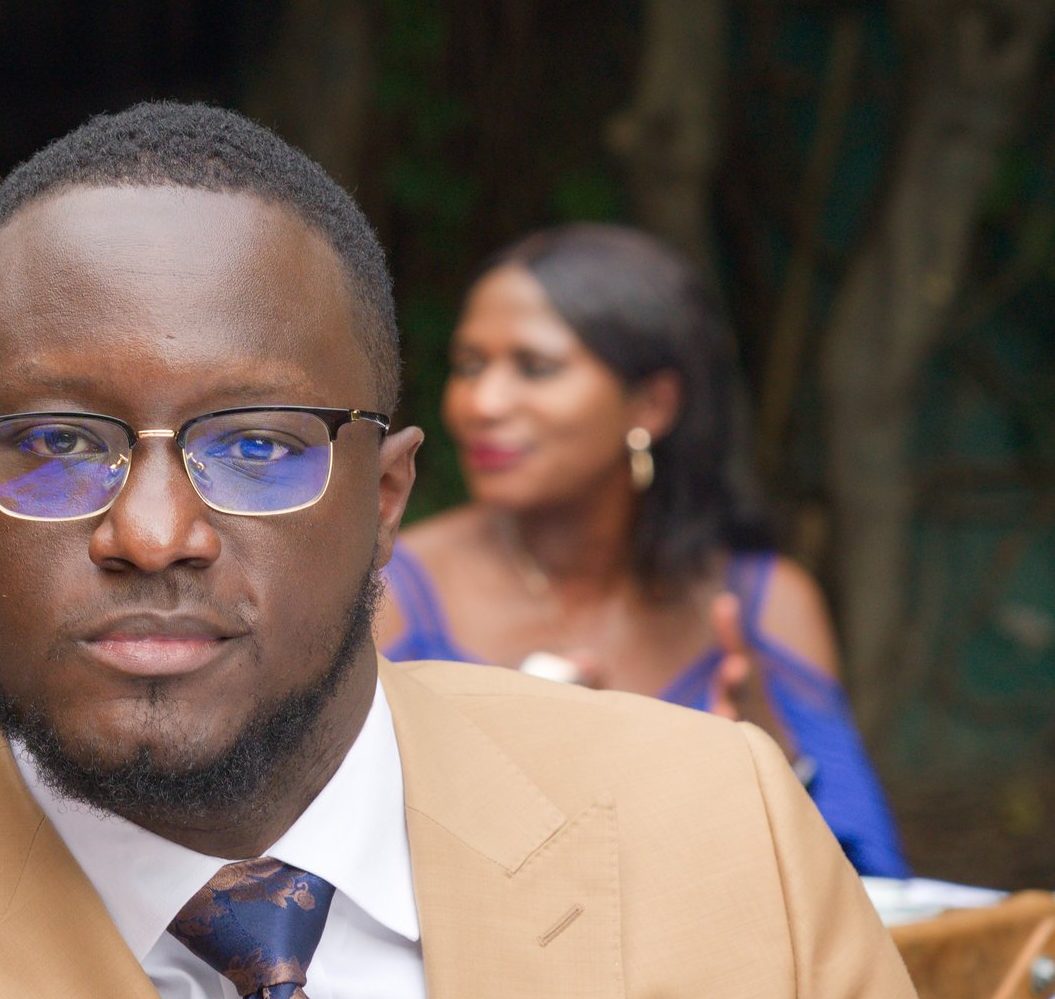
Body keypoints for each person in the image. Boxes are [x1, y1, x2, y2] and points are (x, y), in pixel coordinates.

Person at [0, 102, 968, 999]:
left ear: (386, 498)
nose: (154, 530)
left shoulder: (718, 827)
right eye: (60, 444)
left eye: (257, 445)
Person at [375, 225, 909, 878]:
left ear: (653, 403)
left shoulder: (763, 606)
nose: (480, 403)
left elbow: (876, 893)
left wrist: (775, 770)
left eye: (535, 367)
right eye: (470, 365)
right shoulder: (389, 592)